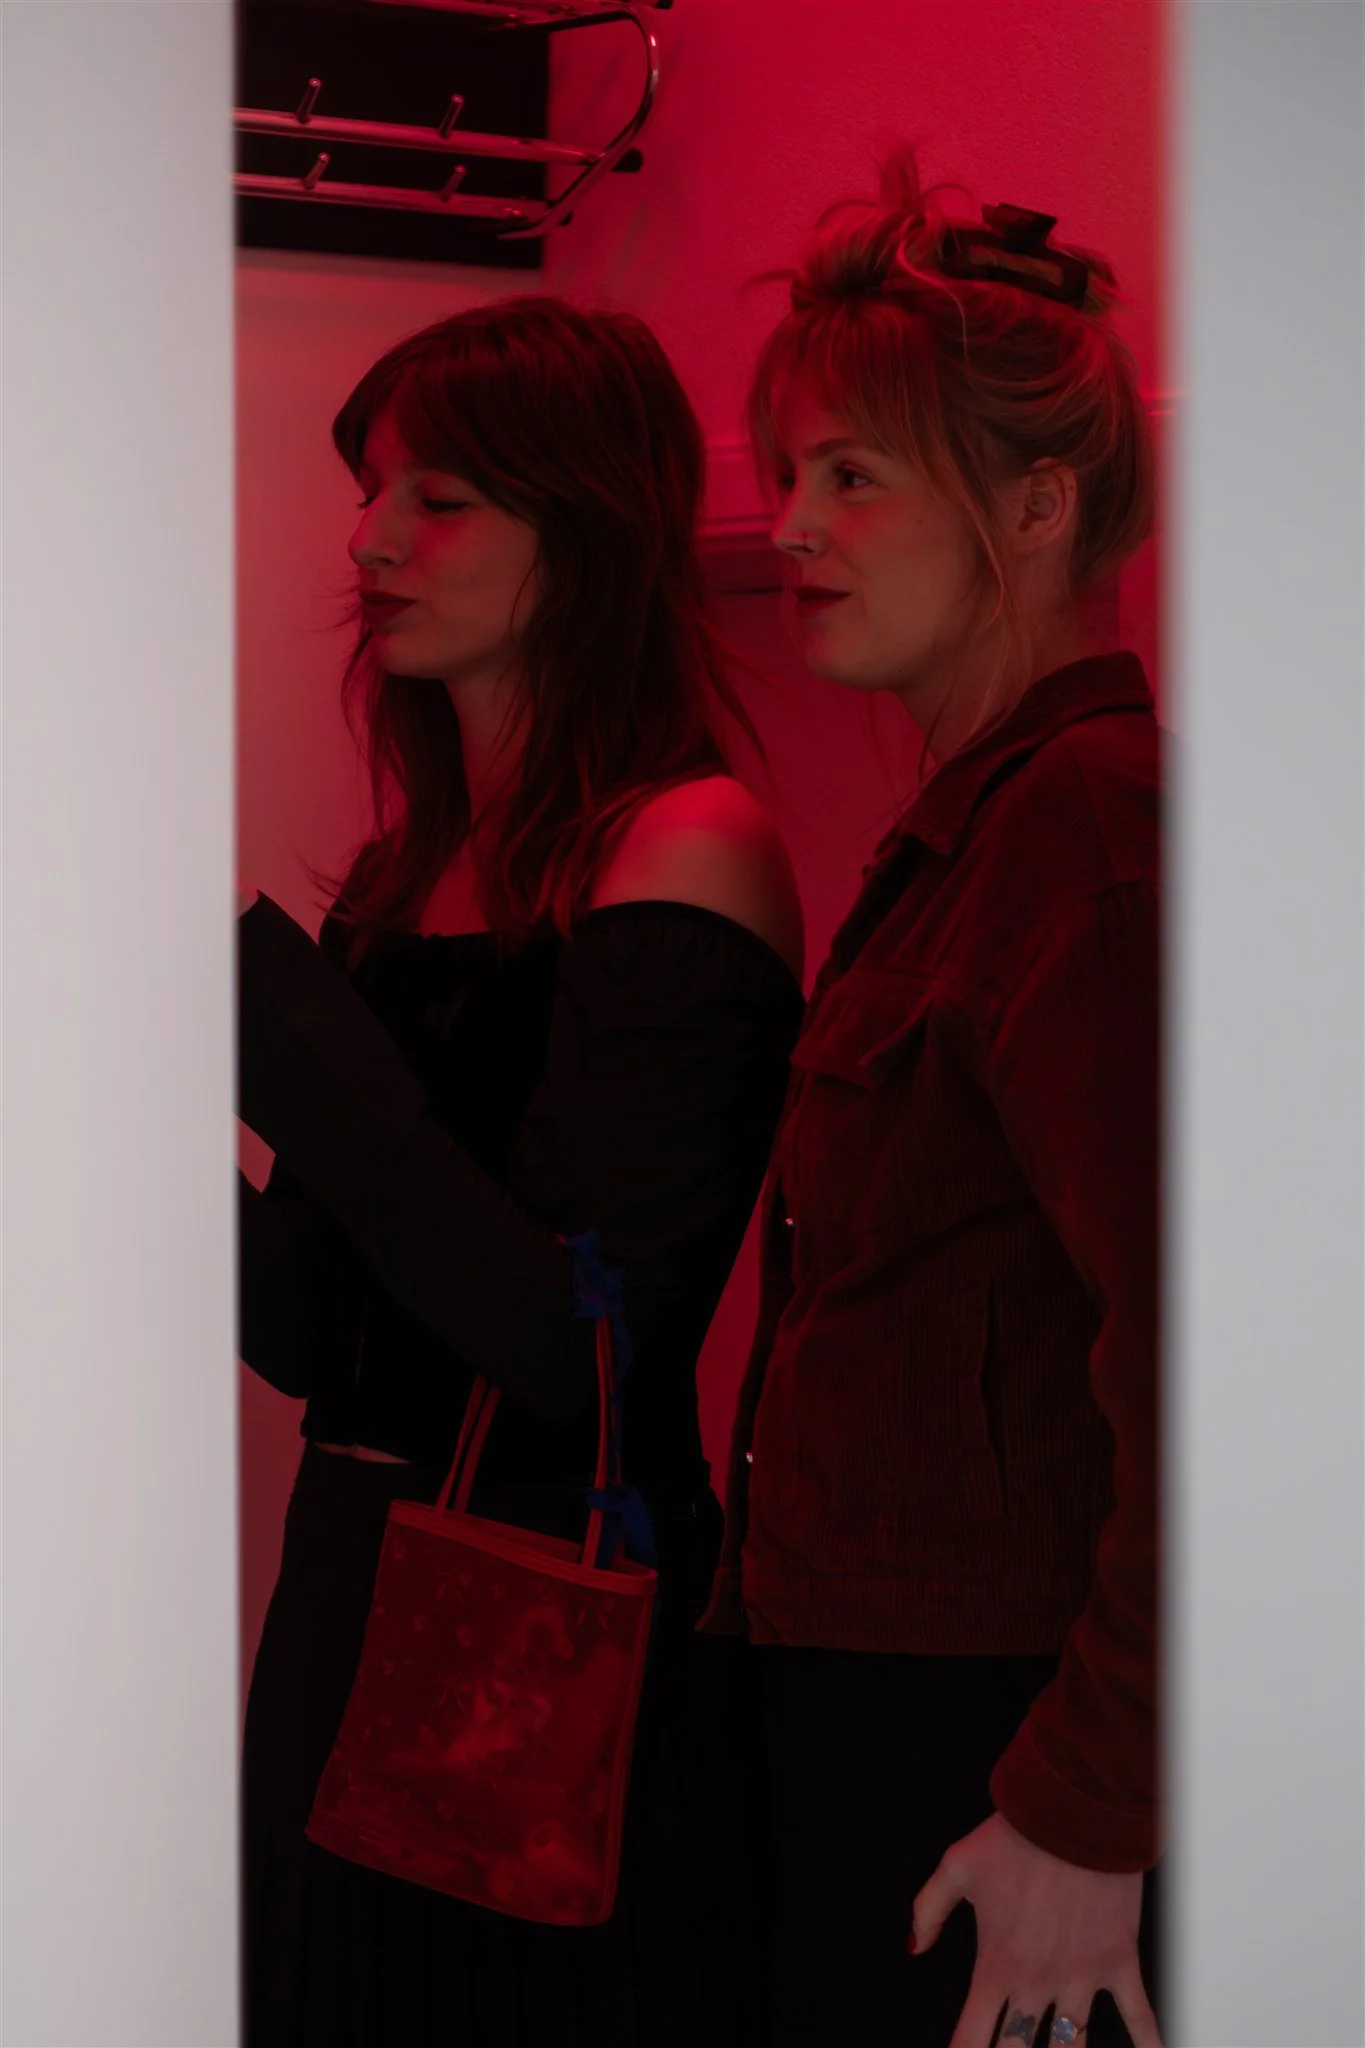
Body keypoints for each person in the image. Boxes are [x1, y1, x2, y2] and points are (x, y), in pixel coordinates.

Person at [234, 294, 806, 2048]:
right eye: (374, 494)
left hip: (544, 1611)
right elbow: (312, 1338)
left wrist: (266, 1017)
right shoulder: (407, 874)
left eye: (441, 500)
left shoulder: (691, 846)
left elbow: (579, 1347)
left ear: (589, 529)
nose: (371, 543)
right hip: (352, 1570)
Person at [699, 149, 1163, 2048]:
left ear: (1037, 507)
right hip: (884, 1710)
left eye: (852, 476)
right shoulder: (984, 827)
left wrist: (1091, 1805)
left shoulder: (1091, 831)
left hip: (997, 1748)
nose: (790, 523)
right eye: (789, 472)